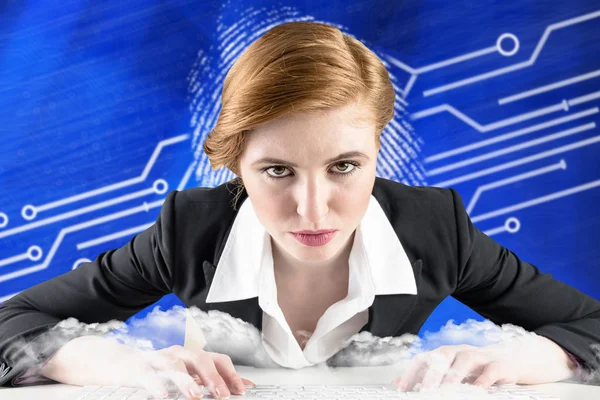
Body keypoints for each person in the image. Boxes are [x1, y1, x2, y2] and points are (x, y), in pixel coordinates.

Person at [1, 20, 599, 400]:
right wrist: (103, 359)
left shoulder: (436, 228)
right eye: (277, 171)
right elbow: (12, 319)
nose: (313, 208)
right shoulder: (189, 231)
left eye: (344, 166)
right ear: (236, 164)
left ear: (377, 150)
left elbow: (591, 326)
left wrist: (539, 352)